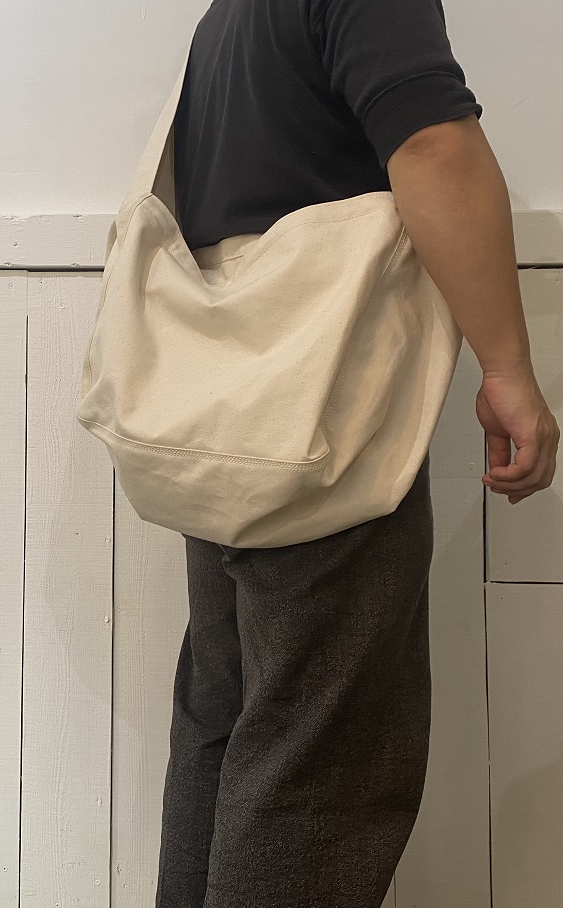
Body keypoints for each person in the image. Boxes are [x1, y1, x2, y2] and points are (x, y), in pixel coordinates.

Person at [154, 0, 560, 906]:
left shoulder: (226, 16)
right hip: (324, 418)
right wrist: (507, 367)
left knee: (224, 727)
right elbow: (434, 147)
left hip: (230, 415)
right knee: (318, 758)